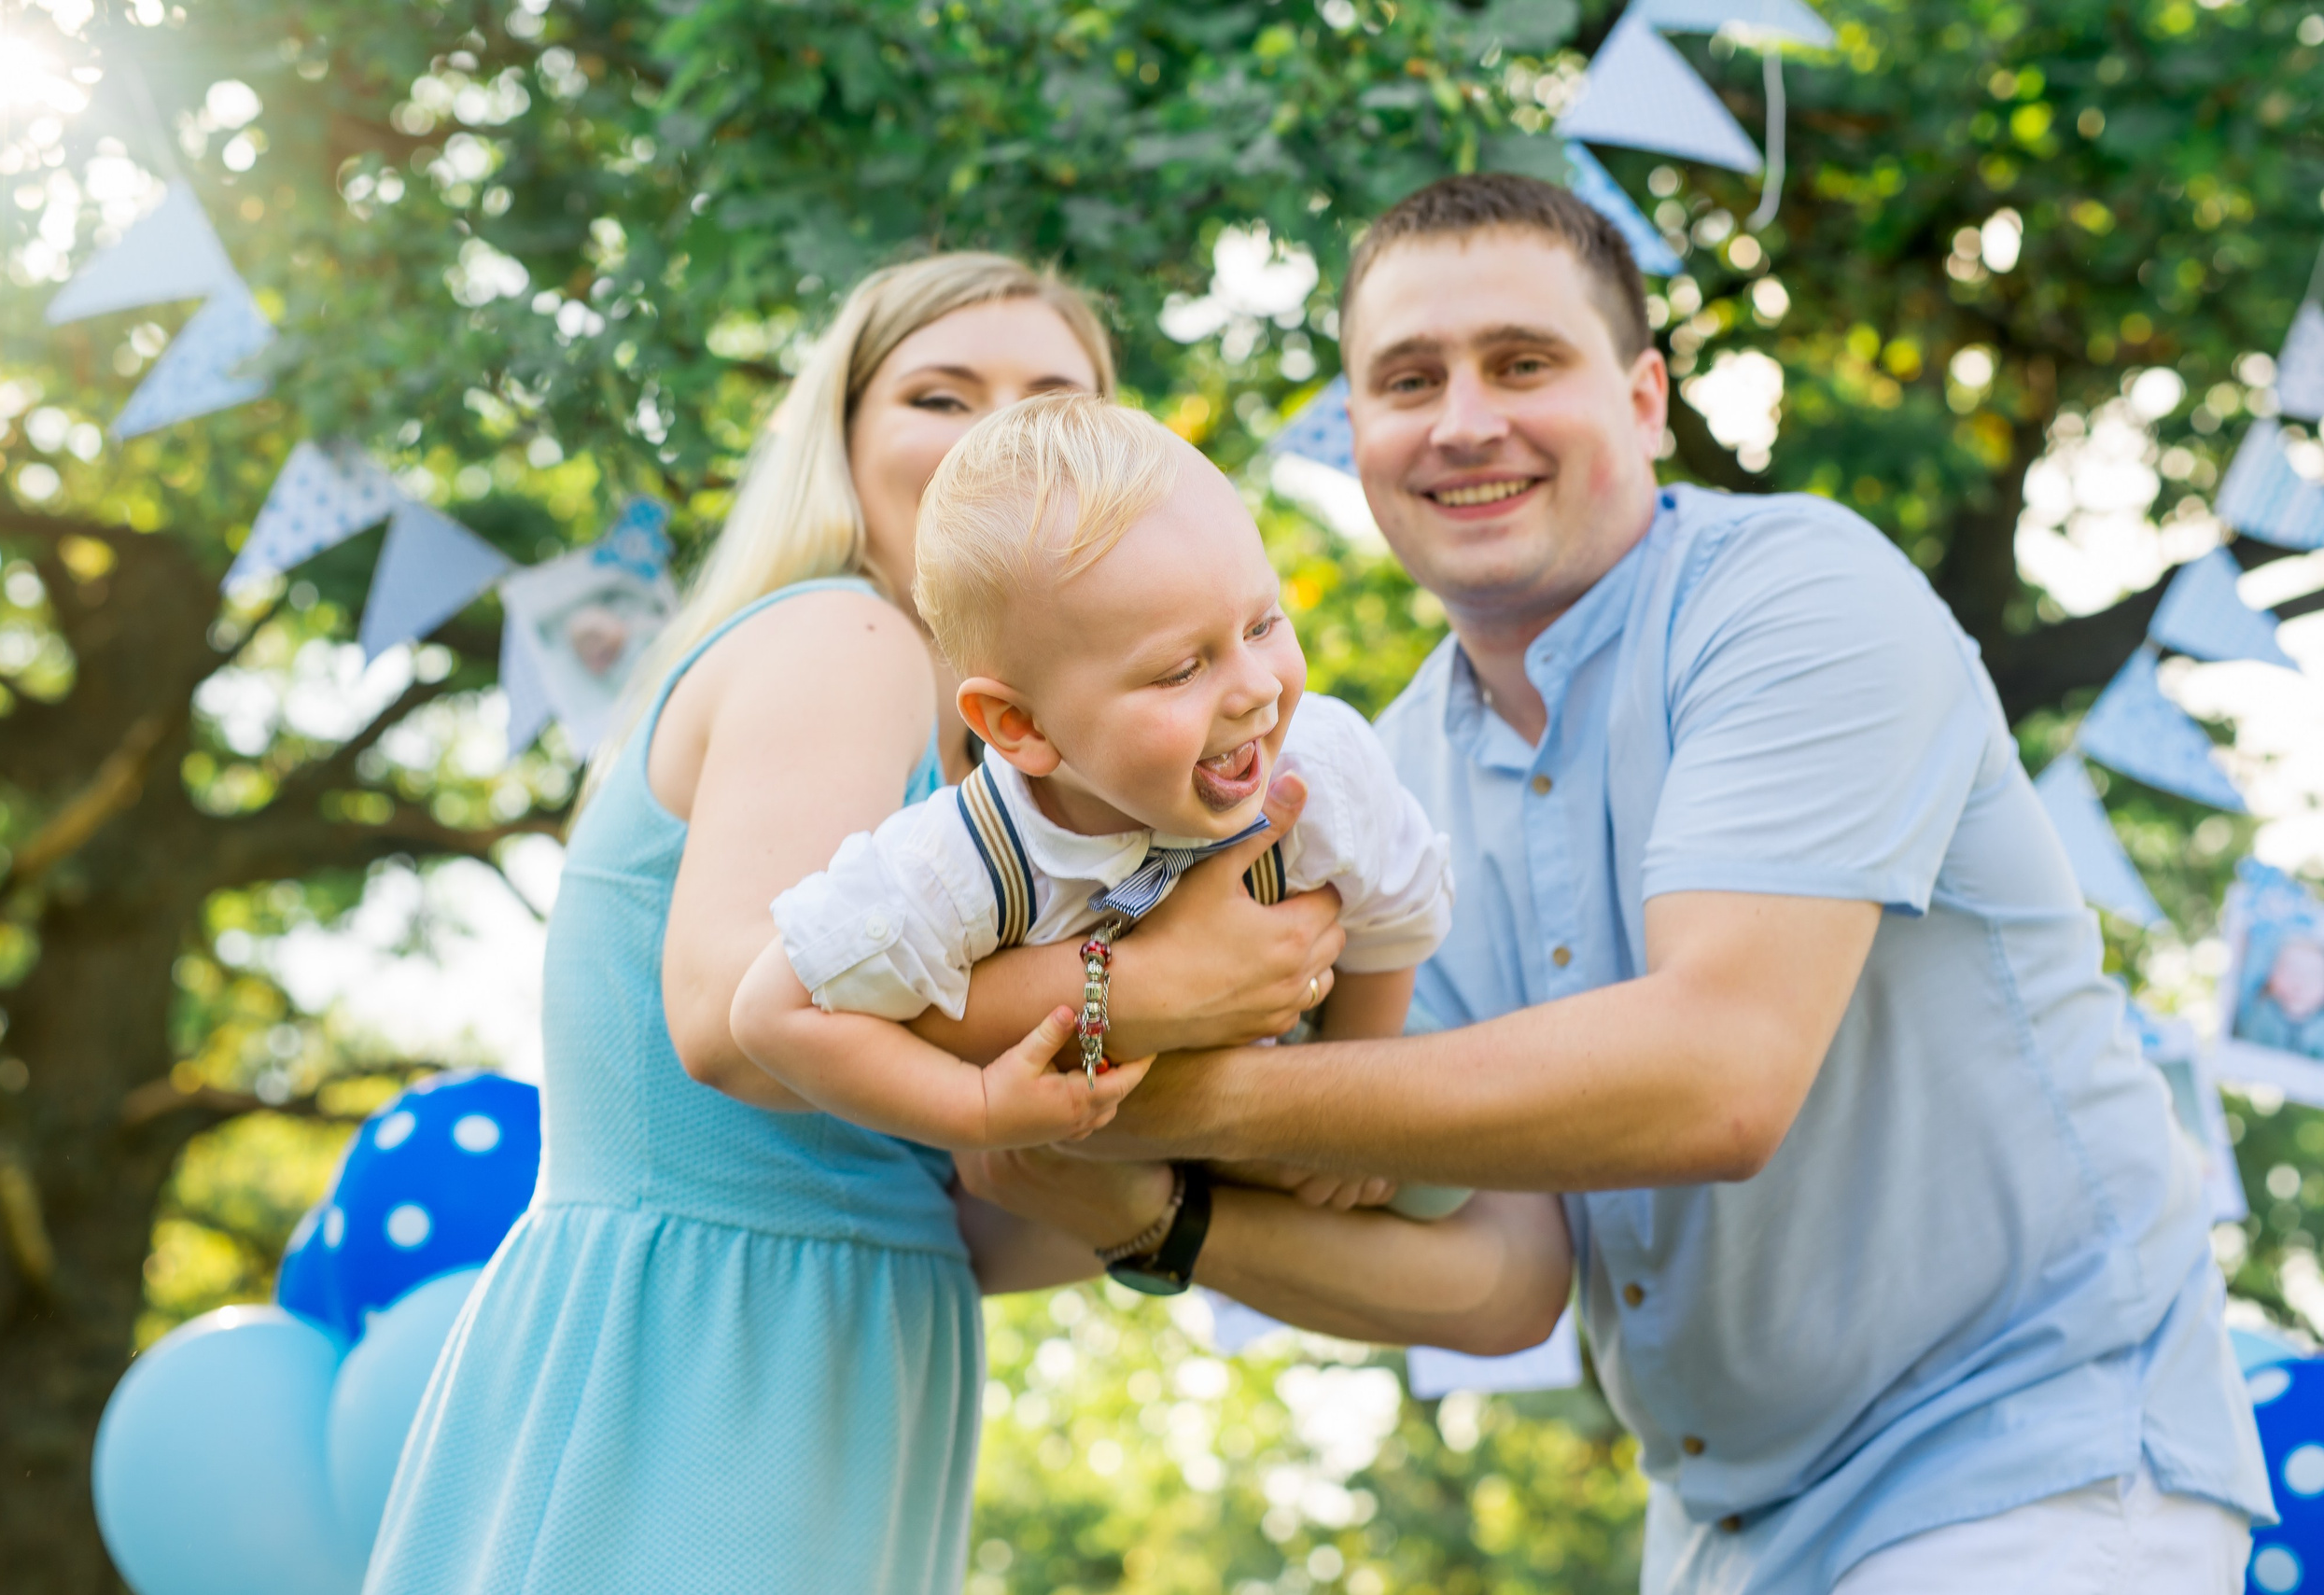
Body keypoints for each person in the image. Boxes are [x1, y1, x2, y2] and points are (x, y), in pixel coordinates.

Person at [965, 174, 2275, 1592]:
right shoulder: (1376, 782)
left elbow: (1717, 1076)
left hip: (2039, 1467)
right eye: (1409, 380)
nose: (1465, 418)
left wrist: (1153, 1098)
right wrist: (1153, 1218)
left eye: (1523, 362)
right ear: (1355, 439)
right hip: (1728, 1529)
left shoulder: (1799, 592)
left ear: (1645, 400)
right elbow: (1506, 1275)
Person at [360, 253, 1360, 1595]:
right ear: (841, 443)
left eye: (1047, 399)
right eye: (940, 396)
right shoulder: (848, 641)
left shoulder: (1023, 803)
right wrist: (1146, 986)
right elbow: (730, 1025)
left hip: (857, 1337)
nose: (995, 437)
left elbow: (932, 1194)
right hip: (705, 1348)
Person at [730, 396, 1461, 1222]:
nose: (1257, 688)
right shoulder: (963, 860)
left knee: (1443, 1183)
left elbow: (1395, 919)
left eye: (1262, 623)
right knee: (1062, 1161)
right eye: (1181, 670)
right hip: (1157, 1131)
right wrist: (970, 1104)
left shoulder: (1317, 765)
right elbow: (771, 1012)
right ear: (1024, 727)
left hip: (1336, 1026)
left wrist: (1345, 1101)